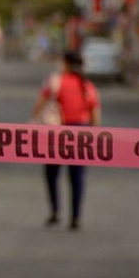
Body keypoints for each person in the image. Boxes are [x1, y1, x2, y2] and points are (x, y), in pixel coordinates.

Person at [30, 50, 101, 231]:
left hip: (57, 133)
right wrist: (93, 135)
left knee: (52, 174)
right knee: (77, 177)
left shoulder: (55, 81)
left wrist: (33, 121)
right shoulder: (87, 85)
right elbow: (95, 112)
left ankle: (55, 211)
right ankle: (76, 216)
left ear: (66, 63)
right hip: (81, 133)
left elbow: (41, 102)